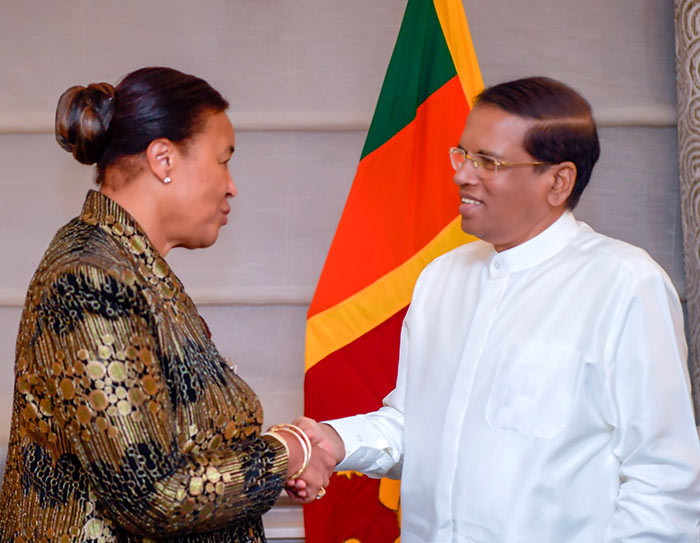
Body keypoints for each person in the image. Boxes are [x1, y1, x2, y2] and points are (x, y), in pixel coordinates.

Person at [294, 77, 700, 542]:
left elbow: (664, 481)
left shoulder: (625, 283)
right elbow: (419, 429)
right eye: (463, 154)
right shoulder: (442, 278)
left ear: (558, 180)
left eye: (489, 161)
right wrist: (334, 442)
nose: (461, 175)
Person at [0, 67, 333, 543]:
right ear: (163, 159)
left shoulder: (130, 267)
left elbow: (181, 449)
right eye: (223, 160)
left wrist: (274, 458)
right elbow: (150, 494)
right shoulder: (89, 278)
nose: (232, 185)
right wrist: (285, 453)